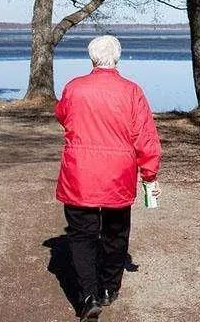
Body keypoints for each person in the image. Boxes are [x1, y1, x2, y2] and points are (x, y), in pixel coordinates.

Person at [55, 35, 162, 321]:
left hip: (80, 173)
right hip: (117, 175)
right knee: (115, 233)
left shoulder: (74, 88)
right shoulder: (131, 92)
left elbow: (62, 115)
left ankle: (87, 296)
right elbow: (146, 138)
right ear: (117, 58)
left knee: (81, 235)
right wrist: (149, 174)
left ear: (92, 59)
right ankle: (108, 289)